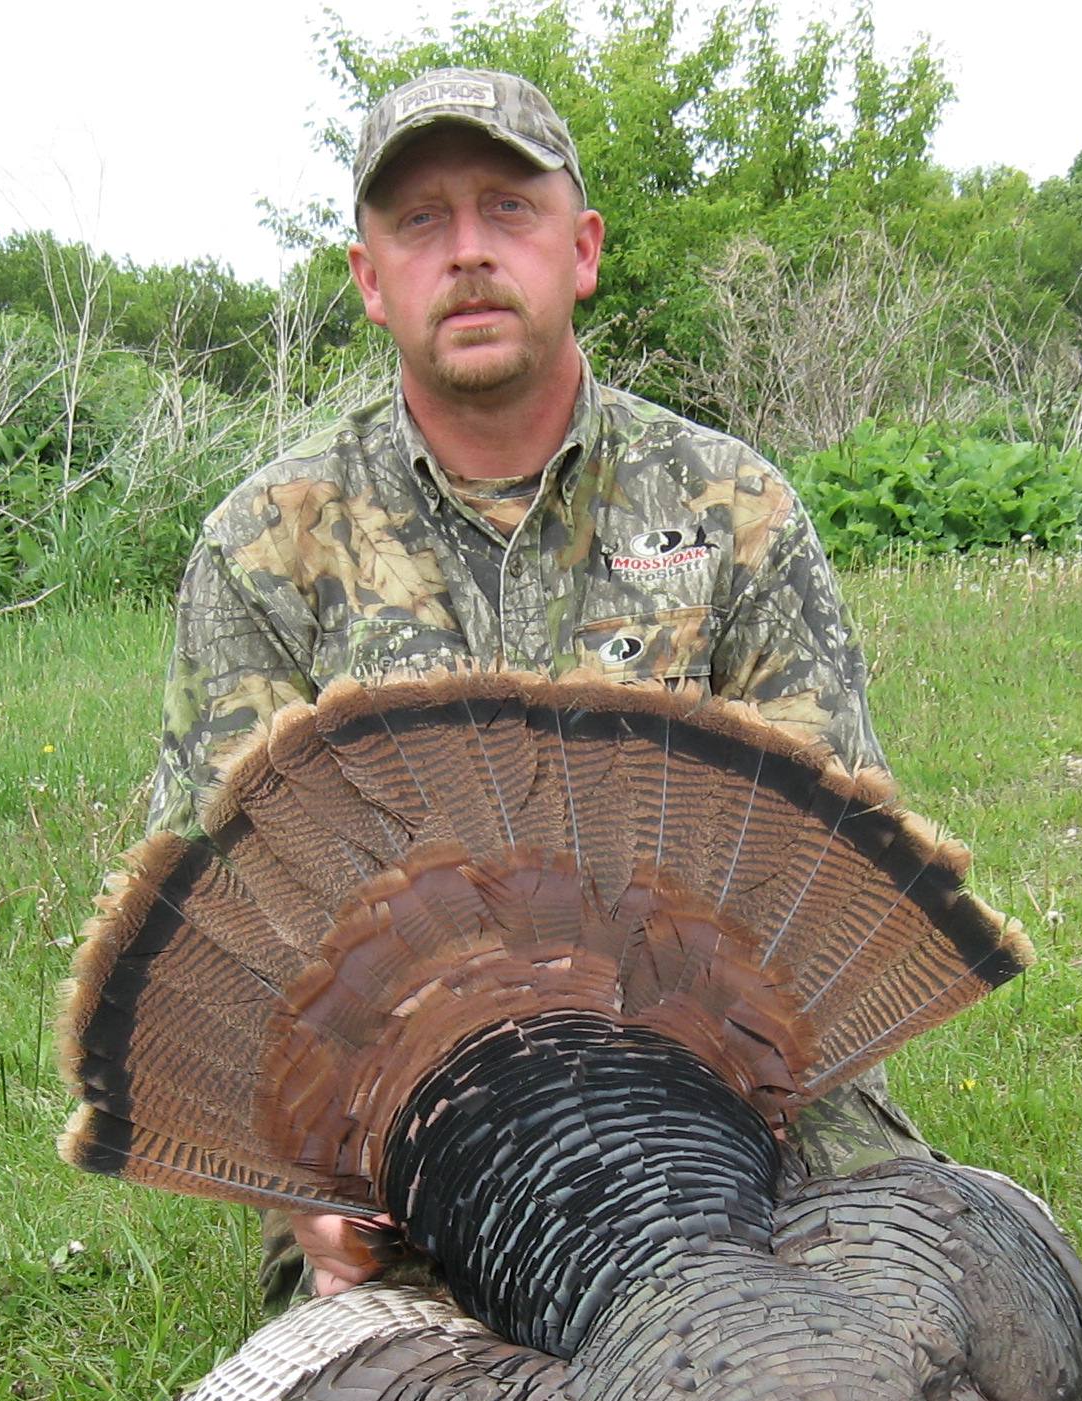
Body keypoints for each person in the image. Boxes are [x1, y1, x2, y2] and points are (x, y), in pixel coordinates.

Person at [142, 66, 937, 1306]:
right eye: (421, 222)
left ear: (582, 251)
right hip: (421, 1129)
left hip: (731, 1080)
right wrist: (309, 1187)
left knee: (895, 1346)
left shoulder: (730, 504)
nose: (466, 253)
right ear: (368, 279)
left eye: (508, 211)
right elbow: (226, 919)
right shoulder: (269, 545)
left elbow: (819, 878)